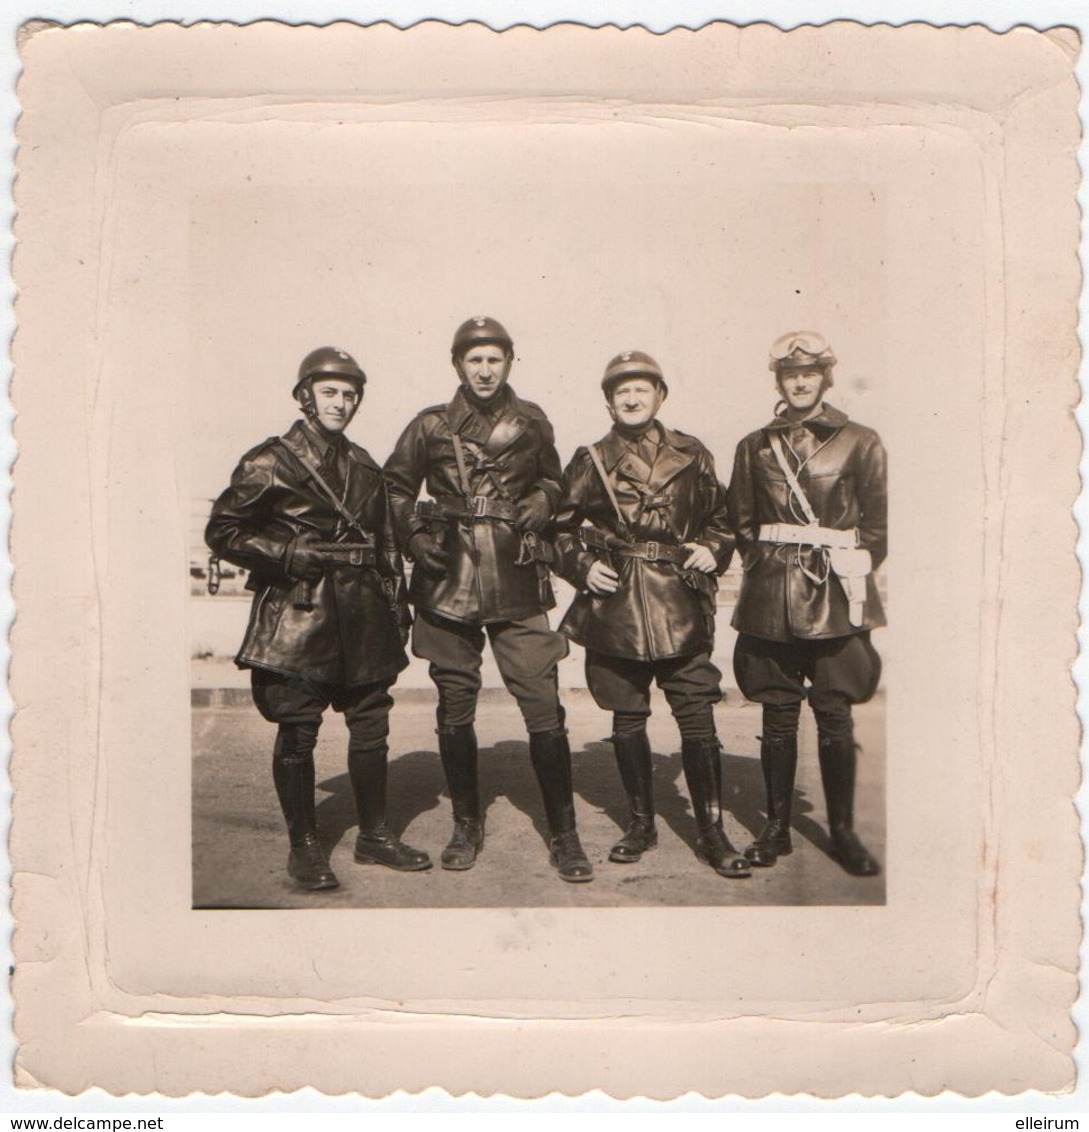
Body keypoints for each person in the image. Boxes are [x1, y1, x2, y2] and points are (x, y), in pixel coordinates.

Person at [205, 346, 431, 892]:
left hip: (364, 615)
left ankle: (375, 834)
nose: (341, 403)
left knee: (372, 725)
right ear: (306, 396)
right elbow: (223, 530)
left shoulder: (364, 465)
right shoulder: (270, 460)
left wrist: (397, 607)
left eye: (350, 394)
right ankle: (304, 846)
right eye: (330, 392)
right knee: (298, 730)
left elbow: (383, 545)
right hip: (299, 614)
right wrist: (284, 554)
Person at [383, 316, 592, 882]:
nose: (483, 369)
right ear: (457, 365)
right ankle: (466, 823)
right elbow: (395, 487)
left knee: (542, 702)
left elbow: (556, 480)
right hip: (447, 575)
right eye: (473, 359)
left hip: (517, 572)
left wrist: (545, 503)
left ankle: (564, 833)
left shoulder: (532, 421)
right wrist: (415, 536)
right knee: (455, 703)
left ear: (508, 363)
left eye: (494, 359)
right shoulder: (429, 425)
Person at [553, 351, 751, 878]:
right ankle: (641, 823)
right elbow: (558, 528)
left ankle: (711, 831)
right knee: (627, 715)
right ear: (608, 401)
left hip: (680, 599)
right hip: (617, 602)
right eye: (622, 392)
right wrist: (581, 566)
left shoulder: (692, 453)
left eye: (642, 389)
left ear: (660, 395)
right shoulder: (590, 459)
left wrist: (715, 545)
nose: (633, 398)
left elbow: (723, 516)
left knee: (697, 716)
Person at [727, 331, 886, 877]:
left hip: (836, 595)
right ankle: (775, 828)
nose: (799, 382)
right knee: (777, 714)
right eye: (790, 374)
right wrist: (774, 571)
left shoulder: (860, 441)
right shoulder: (753, 446)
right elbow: (743, 525)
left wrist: (842, 570)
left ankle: (841, 831)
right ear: (779, 381)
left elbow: (878, 529)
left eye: (810, 373)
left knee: (835, 715)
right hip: (772, 595)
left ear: (826, 378)